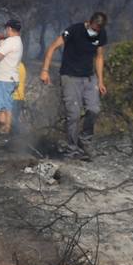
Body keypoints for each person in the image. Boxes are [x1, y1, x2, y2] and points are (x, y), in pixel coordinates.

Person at [39, 12, 108, 160]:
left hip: (89, 78)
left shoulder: (101, 35)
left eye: (98, 30)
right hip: (70, 77)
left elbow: (100, 56)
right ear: (89, 22)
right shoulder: (74, 30)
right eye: (93, 28)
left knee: (94, 109)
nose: (95, 32)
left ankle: (85, 140)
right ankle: (72, 150)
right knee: (74, 115)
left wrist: (100, 81)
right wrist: (45, 70)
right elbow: (52, 47)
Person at [0, 20, 24, 137]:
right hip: (10, 79)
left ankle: (2, 132)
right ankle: (6, 133)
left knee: (0, 108)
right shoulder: (17, 41)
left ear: (9, 29)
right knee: (7, 107)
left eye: (6, 29)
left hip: (3, 79)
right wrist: (0, 43)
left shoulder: (10, 42)